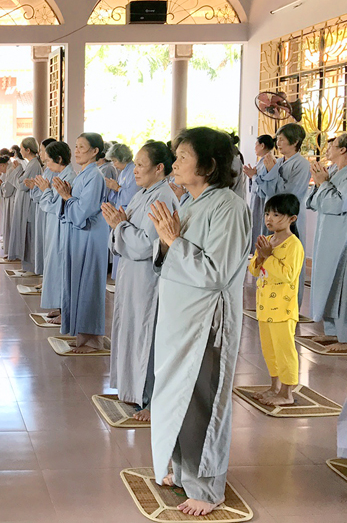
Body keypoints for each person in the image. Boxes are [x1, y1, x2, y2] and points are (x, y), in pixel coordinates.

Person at [148, 127, 251, 517]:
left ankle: (208, 488)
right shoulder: (193, 203)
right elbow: (173, 257)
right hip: (181, 322)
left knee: (203, 401)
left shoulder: (229, 206)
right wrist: (166, 242)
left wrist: (174, 242)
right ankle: (184, 470)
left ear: (207, 165)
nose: (174, 164)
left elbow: (216, 273)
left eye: (183, 158)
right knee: (179, 397)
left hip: (208, 324)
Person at [102, 141, 179, 421]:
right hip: (131, 276)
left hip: (148, 278)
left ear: (159, 168)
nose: (135, 170)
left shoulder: (163, 198)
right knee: (132, 331)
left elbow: (146, 245)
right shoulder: (143, 194)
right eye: (134, 164)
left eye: (141, 164)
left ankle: (150, 399)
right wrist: (120, 226)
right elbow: (125, 230)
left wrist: (120, 226)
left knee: (146, 336)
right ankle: (134, 391)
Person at [53, 133, 108, 352]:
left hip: (90, 235)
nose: (76, 151)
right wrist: (65, 195)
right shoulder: (83, 174)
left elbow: (84, 210)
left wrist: (67, 197)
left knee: (89, 285)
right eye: (75, 146)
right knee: (78, 282)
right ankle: (81, 334)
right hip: (80, 234)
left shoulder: (95, 176)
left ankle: (93, 339)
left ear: (95, 151)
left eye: (82, 147)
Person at [248, 194, 304, 406]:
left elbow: (287, 275)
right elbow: (255, 271)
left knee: (284, 350)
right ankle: (274, 387)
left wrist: (269, 256)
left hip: (283, 309)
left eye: (277, 215)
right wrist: (261, 256)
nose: (269, 219)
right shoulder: (268, 241)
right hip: (264, 308)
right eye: (267, 214)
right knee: (269, 350)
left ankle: (287, 393)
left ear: (292, 218)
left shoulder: (293, 245)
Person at [251, 123, 309, 303]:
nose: (278, 144)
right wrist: (261, 176)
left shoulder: (302, 164)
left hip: (289, 218)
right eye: (278, 140)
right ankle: (269, 300)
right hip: (272, 215)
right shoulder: (278, 161)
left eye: (282, 140)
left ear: (295, 142)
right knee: (269, 254)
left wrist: (272, 172)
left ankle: (291, 304)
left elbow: (288, 195)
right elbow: (264, 190)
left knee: (289, 260)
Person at [307, 133, 347, 351]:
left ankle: (345, 337)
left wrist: (323, 183)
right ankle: (332, 331)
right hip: (327, 236)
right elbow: (315, 203)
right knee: (328, 284)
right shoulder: (333, 172)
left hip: (342, 240)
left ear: (343, 150)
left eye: (333, 145)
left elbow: (337, 204)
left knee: (342, 287)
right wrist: (320, 182)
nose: (328, 149)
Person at [34, 141, 75, 323]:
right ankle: (59, 307)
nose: (47, 164)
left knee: (60, 267)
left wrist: (45, 190)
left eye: (49, 161)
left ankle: (64, 310)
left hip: (62, 227)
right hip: (55, 226)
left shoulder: (69, 178)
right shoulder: (62, 175)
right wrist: (46, 190)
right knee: (55, 265)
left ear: (59, 159)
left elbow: (54, 206)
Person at [105, 143, 139, 280]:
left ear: (123, 158)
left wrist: (117, 188)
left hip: (129, 215)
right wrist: (113, 188)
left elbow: (132, 196)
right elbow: (116, 197)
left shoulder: (133, 171)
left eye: (115, 161)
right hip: (120, 213)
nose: (114, 164)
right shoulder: (123, 172)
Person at [15, 137, 43, 273]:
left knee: (31, 236)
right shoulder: (31, 164)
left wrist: (17, 177)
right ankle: (28, 266)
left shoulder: (34, 165)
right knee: (28, 235)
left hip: (30, 203)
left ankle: (32, 268)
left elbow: (23, 185)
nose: (20, 151)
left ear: (27, 150)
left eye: (21, 148)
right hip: (27, 202)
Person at [29, 138, 56, 276]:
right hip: (42, 208)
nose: (39, 153)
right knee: (42, 242)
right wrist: (34, 187)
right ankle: (44, 275)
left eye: (42, 150)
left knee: (48, 243)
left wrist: (39, 189)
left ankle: (47, 276)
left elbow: (47, 193)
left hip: (48, 211)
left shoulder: (54, 171)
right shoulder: (47, 170)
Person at [243, 135, 276, 247]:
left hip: (262, 200)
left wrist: (253, 176)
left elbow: (264, 185)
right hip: (257, 199)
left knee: (259, 227)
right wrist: (252, 176)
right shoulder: (261, 161)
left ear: (262, 146)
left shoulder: (269, 162)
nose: (254, 148)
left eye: (256, 145)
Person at [0, 150, 22, 256]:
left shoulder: (11, 168)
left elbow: (8, 189)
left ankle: (13, 251)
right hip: (12, 199)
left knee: (12, 225)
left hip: (12, 199)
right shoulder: (12, 167)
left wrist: (1, 185)